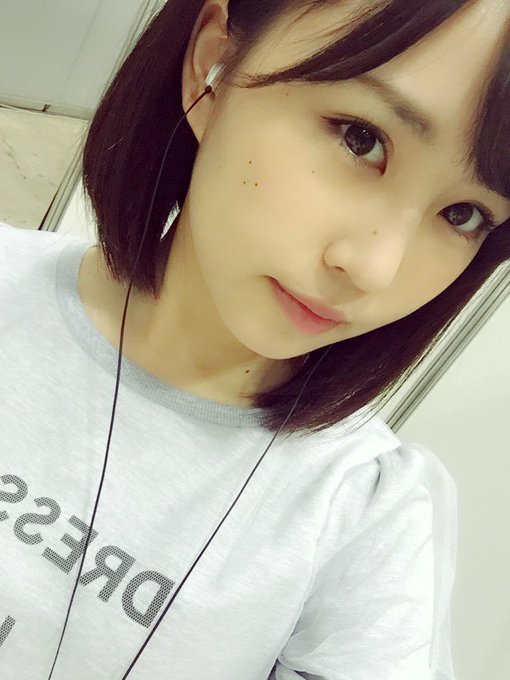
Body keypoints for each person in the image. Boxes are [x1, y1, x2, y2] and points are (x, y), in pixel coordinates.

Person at [1, 0, 509, 678]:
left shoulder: (365, 511)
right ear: (213, 63)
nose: (374, 268)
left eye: (463, 214)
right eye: (361, 139)